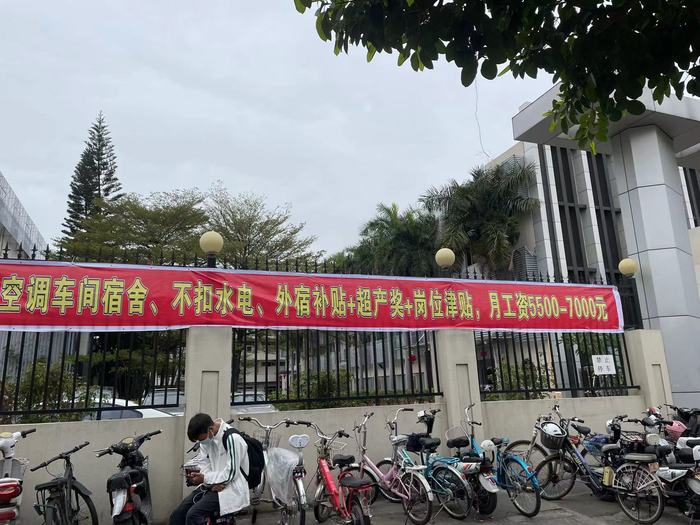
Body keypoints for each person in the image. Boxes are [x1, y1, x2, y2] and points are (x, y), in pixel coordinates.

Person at [169, 413, 250, 525]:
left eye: (202, 439)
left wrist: (205, 479)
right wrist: (209, 481)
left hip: (230, 487)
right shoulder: (206, 439)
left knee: (194, 515)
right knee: (178, 514)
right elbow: (203, 464)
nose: (202, 442)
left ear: (210, 429)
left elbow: (231, 474)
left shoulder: (232, 438)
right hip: (211, 485)